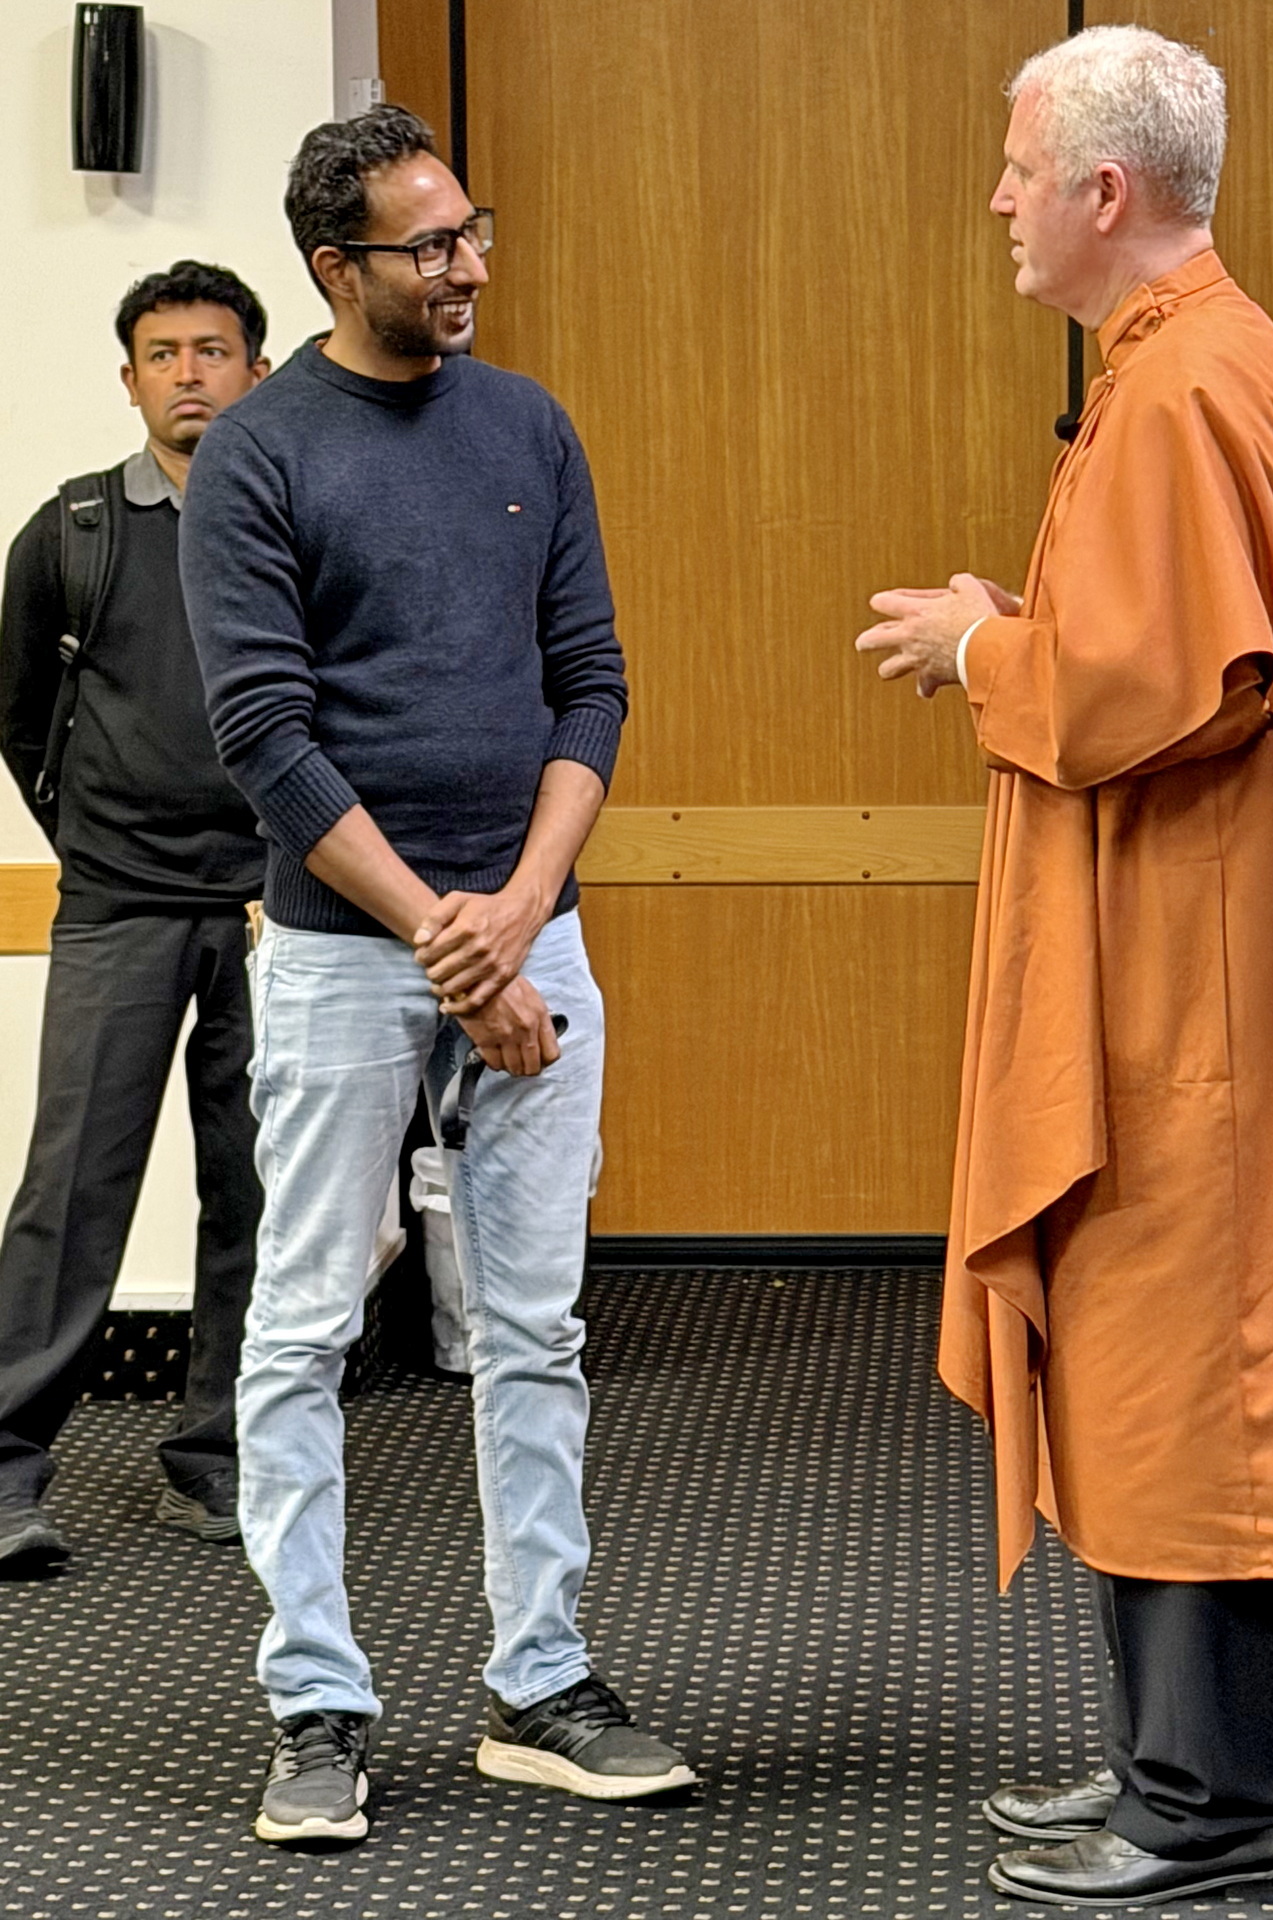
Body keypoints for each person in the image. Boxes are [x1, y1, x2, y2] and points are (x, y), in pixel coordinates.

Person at [857, 26, 1273, 1909]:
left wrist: (984, 654)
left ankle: (1216, 1810)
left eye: (1015, 167)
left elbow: (1175, 687)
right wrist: (1028, 622)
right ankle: (1170, 1766)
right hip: (1182, 959)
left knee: (1193, 1373)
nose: (995, 199)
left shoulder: (1182, 387)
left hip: (1188, 987)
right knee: (1156, 1368)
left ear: (1103, 189)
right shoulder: (1197, 363)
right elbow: (1176, 642)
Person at [179, 104, 693, 1849]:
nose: (471, 266)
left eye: (475, 231)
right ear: (339, 269)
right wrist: (439, 935)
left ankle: (538, 1679)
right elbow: (265, 731)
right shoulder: (257, 455)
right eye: (432, 245)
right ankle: (315, 1700)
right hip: (342, 960)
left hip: (529, 934)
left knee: (534, 1330)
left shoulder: (529, 426)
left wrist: (518, 911)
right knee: (302, 1332)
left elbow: (592, 685)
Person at [0, 263, 271, 1574]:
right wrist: (92, 850)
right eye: (161, 354)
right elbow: (19, 719)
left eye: (212, 350)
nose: (187, 374)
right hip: (118, 911)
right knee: (70, 1196)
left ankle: (218, 1463)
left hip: (282, 912)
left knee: (259, 1197)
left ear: (255, 373)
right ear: (130, 379)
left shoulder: (293, 531)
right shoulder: (71, 534)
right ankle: (4, 1474)